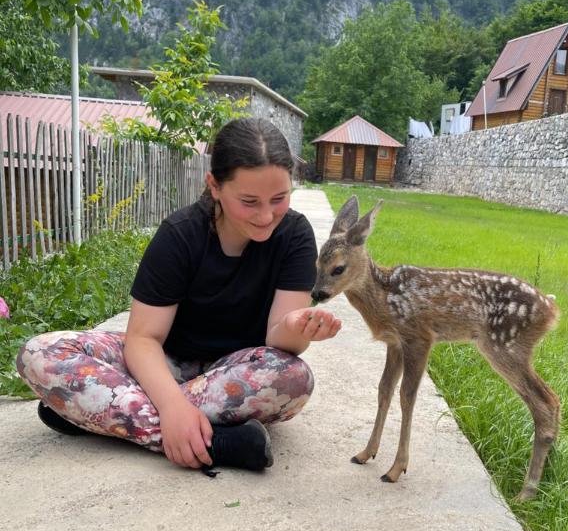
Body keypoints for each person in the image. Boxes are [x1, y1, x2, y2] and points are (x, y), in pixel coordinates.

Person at [16, 117, 341, 475]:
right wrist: (171, 407)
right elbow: (142, 340)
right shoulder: (180, 235)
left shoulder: (294, 235)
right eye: (249, 201)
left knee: (294, 378)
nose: (266, 215)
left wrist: (297, 326)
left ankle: (99, 413)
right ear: (215, 186)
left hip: (235, 371)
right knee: (40, 354)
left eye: (279, 199)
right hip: (162, 364)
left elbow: (278, 342)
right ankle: (217, 442)